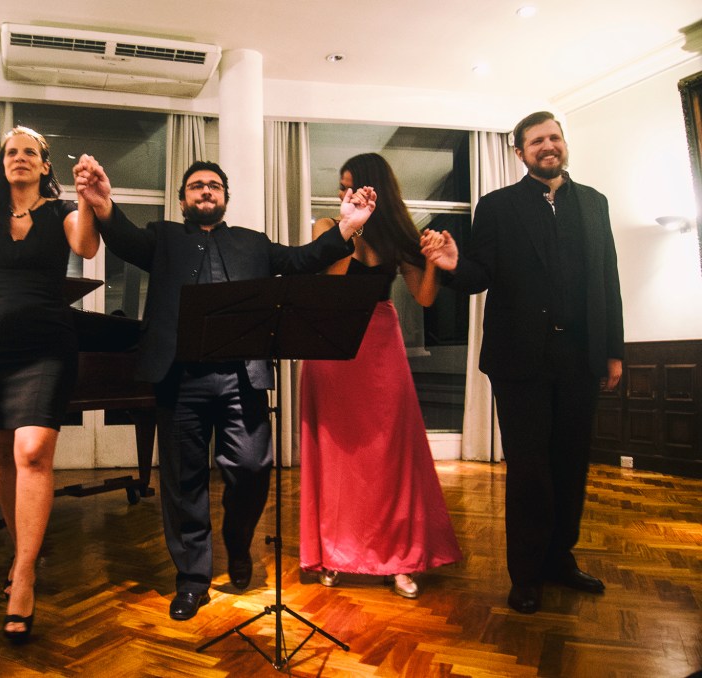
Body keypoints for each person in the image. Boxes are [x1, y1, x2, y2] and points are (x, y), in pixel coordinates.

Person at [73, 156, 376, 620]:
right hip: (179, 378)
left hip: (242, 377)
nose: (205, 190)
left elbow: (302, 260)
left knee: (254, 466)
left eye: (214, 185)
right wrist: (103, 204)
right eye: (196, 185)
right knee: (183, 483)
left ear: (225, 197)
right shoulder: (163, 238)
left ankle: (237, 541)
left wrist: (348, 227)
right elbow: (125, 238)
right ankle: (192, 579)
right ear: (182, 201)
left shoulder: (253, 243)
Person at [421, 111, 623, 614]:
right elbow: (479, 275)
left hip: (580, 358)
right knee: (530, 470)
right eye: (536, 141)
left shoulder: (595, 203)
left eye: (554, 137)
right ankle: (527, 574)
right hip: (520, 362)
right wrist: (453, 264)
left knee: (571, 465)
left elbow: (608, 279)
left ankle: (560, 560)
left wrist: (613, 351)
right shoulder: (497, 206)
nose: (548, 146)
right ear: (520, 152)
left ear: (564, 143)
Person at [0, 126, 99, 643]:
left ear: (45, 165)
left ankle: (25, 575)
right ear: (2, 163)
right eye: (11, 151)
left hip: (47, 345)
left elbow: (87, 246)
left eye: (30, 151)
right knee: (2, 454)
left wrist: (88, 195)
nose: (20, 157)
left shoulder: (62, 211)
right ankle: (19, 552)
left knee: (32, 452)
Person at [298, 153, 462, 599]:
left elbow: (424, 297)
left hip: (380, 344)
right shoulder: (328, 227)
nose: (342, 194)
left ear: (374, 188)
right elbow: (331, 284)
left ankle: (401, 558)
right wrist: (349, 227)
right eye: (341, 187)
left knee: (391, 454)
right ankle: (334, 552)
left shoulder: (396, 235)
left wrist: (433, 260)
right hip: (333, 345)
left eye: (350, 186)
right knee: (336, 457)